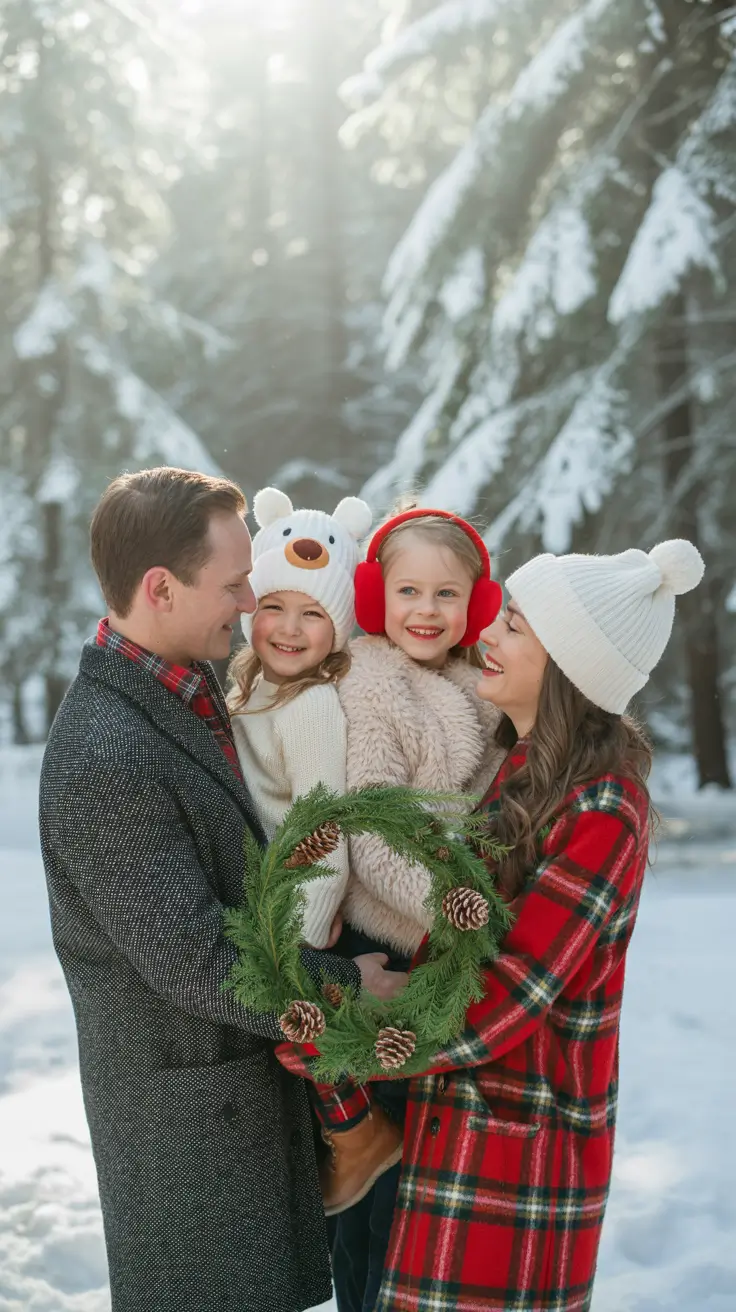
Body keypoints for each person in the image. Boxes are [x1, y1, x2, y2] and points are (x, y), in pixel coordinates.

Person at [278, 537, 705, 1312]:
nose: (487, 637)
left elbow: (512, 991)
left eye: (511, 626)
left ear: (569, 664)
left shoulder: (604, 805)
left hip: (520, 1151)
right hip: (457, 1130)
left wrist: (352, 1036)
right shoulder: (520, 773)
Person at [38, 466, 401, 1312]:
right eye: (234, 583)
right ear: (161, 588)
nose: (248, 603)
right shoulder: (105, 756)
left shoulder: (192, 682)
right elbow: (197, 960)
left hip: (240, 1095)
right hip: (187, 1131)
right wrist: (349, 986)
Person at [267, 503, 505, 1311]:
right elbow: (372, 833)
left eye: (447, 594)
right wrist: (460, 913)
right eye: (409, 590)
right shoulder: (369, 683)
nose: (427, 611)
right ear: (376, 596)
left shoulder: (482, 684)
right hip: (393, 947)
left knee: (428, 1181)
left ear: (475, 603)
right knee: (379, 1188)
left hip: (450, 955)